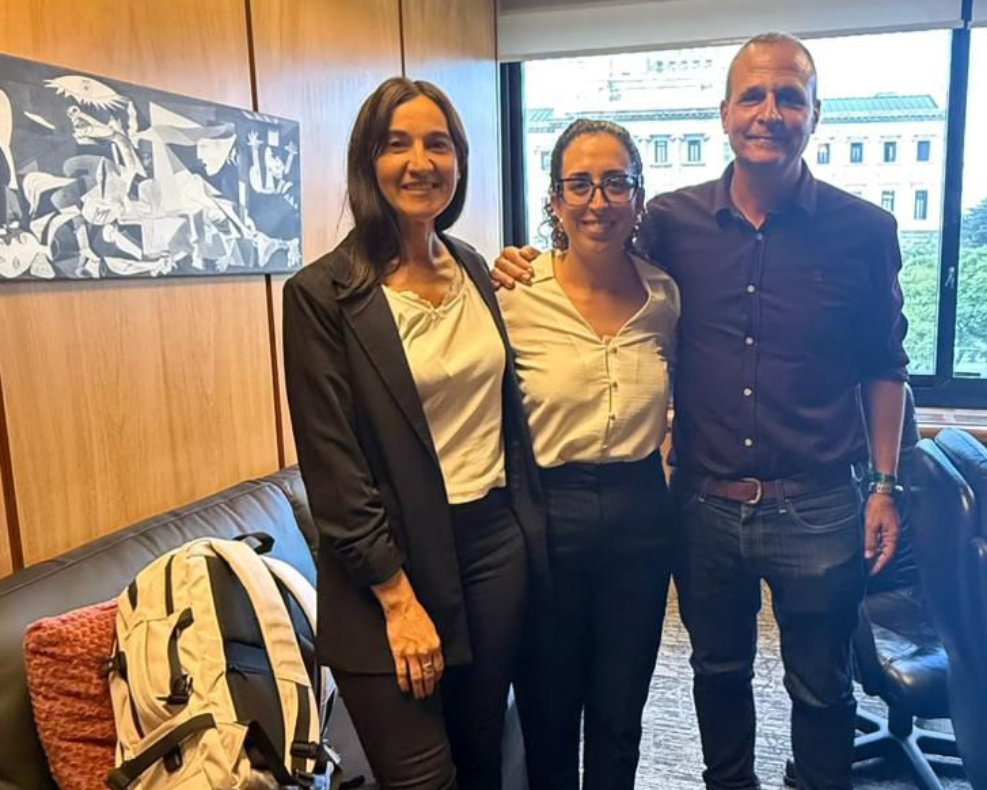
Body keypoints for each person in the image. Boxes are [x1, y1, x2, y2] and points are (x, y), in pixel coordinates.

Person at [494, 32, 908, 790]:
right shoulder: (671, 227)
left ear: (815, 115)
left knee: (820, 687)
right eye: (752, 95)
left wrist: (884, 485)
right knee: (716, 675)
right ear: (723, 113)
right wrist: (512, 259)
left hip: (818, 500)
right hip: (703, 505)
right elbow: (593, 249)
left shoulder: (864, 231)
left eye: (789, 96)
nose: (769, 112)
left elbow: (885, 368)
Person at [283, 77, 547, 790]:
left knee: (482, 761)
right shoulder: (322, 296)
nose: (419, 161)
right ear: (367, 160)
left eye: (437, 143)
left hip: (492, 551)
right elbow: (332, 467)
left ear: (459, 161)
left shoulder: (471, 269)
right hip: (385, 574)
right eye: (396, 143)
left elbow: (505, 414)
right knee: (424, 780)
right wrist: (398, 599)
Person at [498, 119, 679, 790]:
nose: (597, 201)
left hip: (640, 513)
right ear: (553, 200)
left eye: (614, 183)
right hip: (546, 514)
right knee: (548, 710)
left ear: (636, 195)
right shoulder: (512, 293)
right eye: (578, 184)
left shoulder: (664, 296)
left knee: (619, 711)